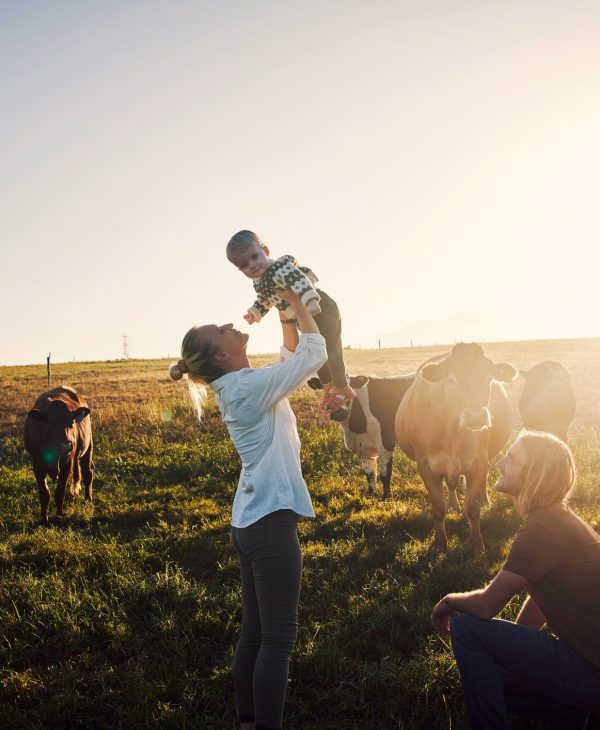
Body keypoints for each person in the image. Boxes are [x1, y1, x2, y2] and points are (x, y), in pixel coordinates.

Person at [169, 290, 327, 730]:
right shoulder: (245, 387)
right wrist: (295, 295)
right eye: (221, 330)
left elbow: (287, 360)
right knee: (278, 639)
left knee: (255, 634)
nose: (230, 324)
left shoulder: (241, 385)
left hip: (251, 521)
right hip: (270, 524)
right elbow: (314, 355)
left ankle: (247, 722)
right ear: (220, 355)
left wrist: (285, 316)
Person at [431, 430, 600, 729]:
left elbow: (485, 606)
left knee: (467, 627)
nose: (499, 464)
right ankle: (576, 715)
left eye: (510, 458)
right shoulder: (557, 518)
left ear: (532, 474)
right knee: (493, 683)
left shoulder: (542, 527)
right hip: (589, 671)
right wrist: (510, 657)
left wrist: (447, 601)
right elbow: (541, 599)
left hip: (589, 673)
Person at [226, 229, 356, 414]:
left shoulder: (281, 267)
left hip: (321, 308)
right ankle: (328, 385)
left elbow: (301, 282)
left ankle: (343, 386)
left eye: (254, 257)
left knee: (330, 349)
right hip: (301, 317)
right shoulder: (259, 281)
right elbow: (265, 299)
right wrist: (255, 313)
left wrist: (310, 300)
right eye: (245, 265)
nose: (252, 265)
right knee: (316, 353)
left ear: (266, 250)